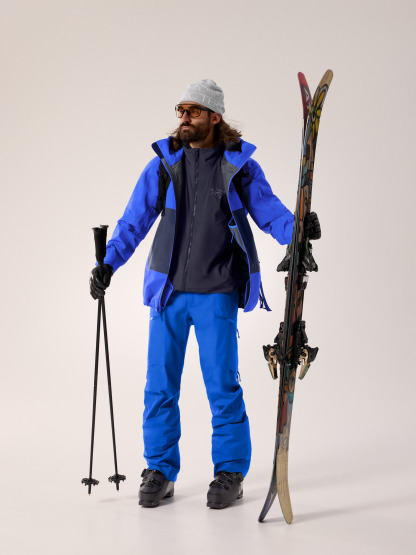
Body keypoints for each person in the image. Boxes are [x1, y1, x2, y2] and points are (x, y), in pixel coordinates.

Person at [90, 79, 320, 509]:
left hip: (217, 292)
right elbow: (133, 220)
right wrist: (108, 262)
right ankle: (159, 469)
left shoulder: (239, 167)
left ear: (215, 117)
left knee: (222, 386)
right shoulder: (164, 165)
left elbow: (269, 211)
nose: (183, 118)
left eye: (193, 111)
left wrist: (298, 231)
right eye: (180, 110)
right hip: (168, 293)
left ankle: (230, 471)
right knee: (159, 386)